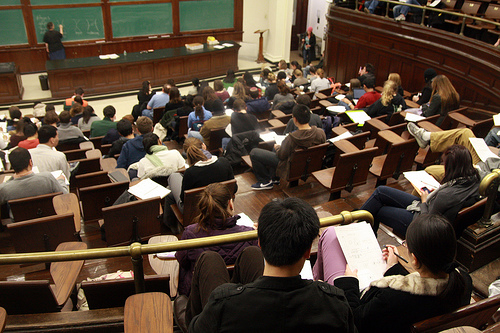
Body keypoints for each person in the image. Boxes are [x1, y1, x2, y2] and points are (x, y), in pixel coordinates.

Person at [187, 197, 357, 333]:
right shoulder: (334, 303)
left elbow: (194, 327)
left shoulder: (223, 305)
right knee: (250, 254)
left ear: (260, 242)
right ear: (307, 252)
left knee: (209, 259)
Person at [316, 214, 472, 333]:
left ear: (415, 260)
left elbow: (354, 320)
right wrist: (392, 268)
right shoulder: (463, 279)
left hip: (357, 316)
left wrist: (349, 282)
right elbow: (420, 297)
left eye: (405, 244)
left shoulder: (393, 299)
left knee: (331, 234)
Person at [360, 144, 480, 236]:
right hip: (430, 206)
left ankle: (357, 233)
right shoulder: (475, 178)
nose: (443, 166)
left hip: (420, 223)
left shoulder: (447, 195)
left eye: (444, 164)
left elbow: (427, 222)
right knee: (381, 191)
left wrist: (424, 201)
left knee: (377, 211)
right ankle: (354, 224)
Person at [175, 183, 257, 296]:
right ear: (230, 204)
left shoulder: (190, 233)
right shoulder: (250, 235)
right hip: (241, 293)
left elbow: (182, 261)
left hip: (202, 294)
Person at [249, 104, 326, 190]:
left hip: (290, 168)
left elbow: (281, 155)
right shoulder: (320, 133)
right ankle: (274, 178)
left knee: (254, 152)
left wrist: (277, 147)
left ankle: (265, 181)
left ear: (295, 119)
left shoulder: (292, 138)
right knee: (276, 150)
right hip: (310, 165)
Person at [167, 138, 236, 215]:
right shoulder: (224, 162)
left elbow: (184, 200)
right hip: (223, 205)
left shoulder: (190, 173)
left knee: (173, 179)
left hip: (198, 211)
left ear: (187, 153)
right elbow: (234, 188)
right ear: (204, 146)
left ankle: (169, 224)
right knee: (169, 191)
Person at [0, 147, 67, 209]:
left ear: (12, 166)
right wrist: (61, 180)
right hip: (49, 220)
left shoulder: (4, 188)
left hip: (20, 222)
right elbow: (65, 196)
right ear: (30, 162)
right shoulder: (47, 178)